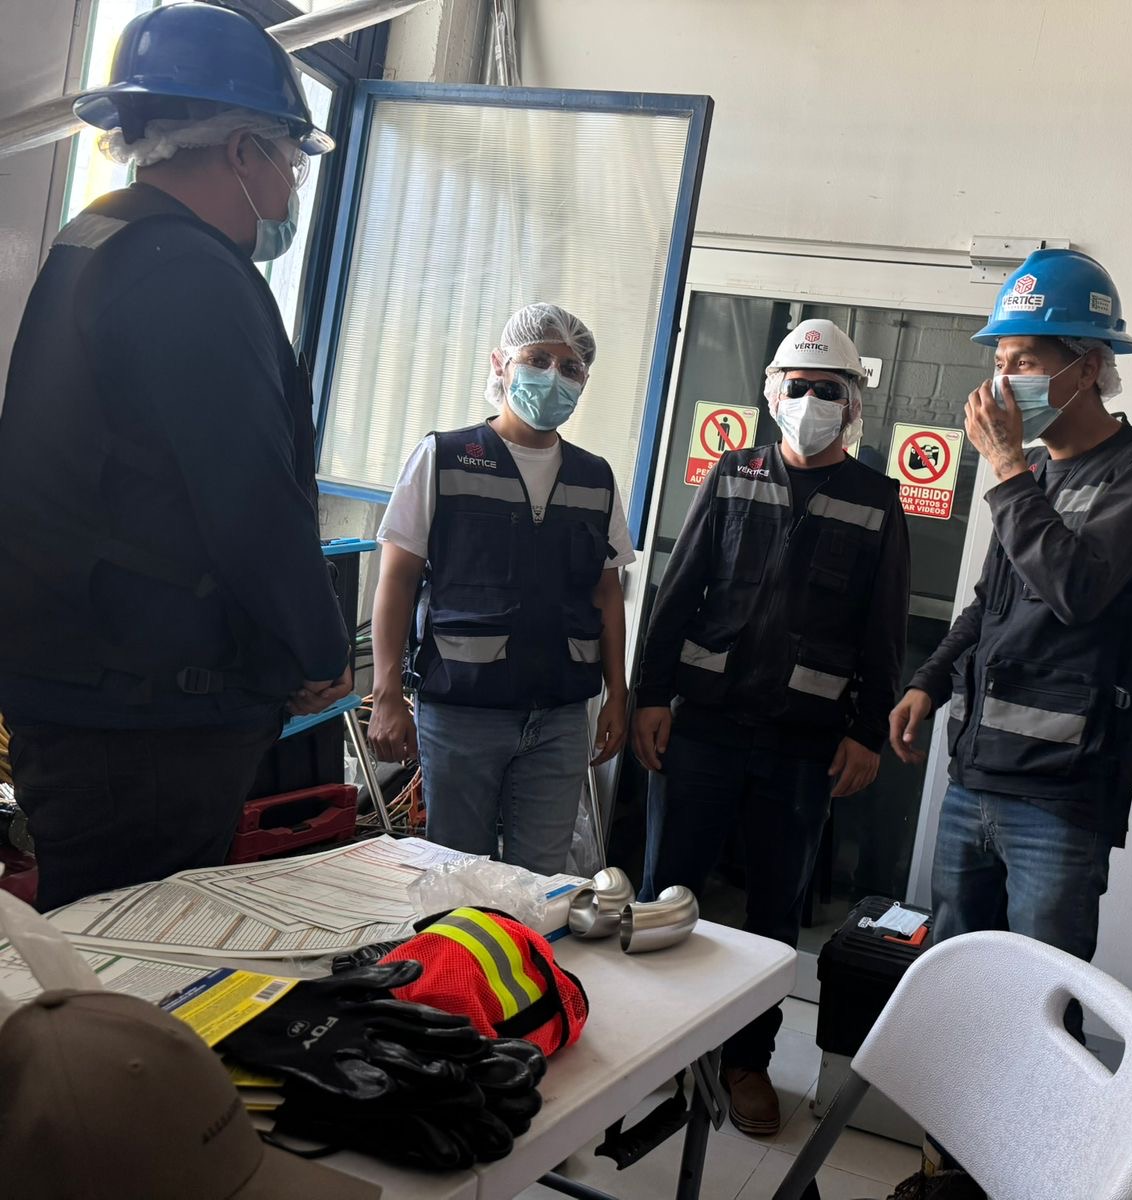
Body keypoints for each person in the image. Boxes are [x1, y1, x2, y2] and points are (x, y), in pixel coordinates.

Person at [0, 4, 350, 911]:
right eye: (290, 157)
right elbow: (250, 497)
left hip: (86, 685)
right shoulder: (188, 273)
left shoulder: (101, 240)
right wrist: (318, 647)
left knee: (96, 935)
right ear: (241, 151)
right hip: (145, 711)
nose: (292, 184)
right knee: (138, 948)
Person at [889, 248, 1132, 1031]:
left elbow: (1078, 589)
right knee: (956, 987)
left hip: (1062, 794)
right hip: (975, 775)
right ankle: (947, 1120)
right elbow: (989, 603)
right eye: (998, 362)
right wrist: (930, 678)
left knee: (1039, 1009)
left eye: (1023, 361)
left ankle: (1033, 1119)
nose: (1002, 382)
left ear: (1086, 368)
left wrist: (1004, 466)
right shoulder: (1030, 476)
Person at [632, 318, 911, 1135]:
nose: (811, 400)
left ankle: (746, 1061)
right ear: (772, 393)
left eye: (829, 389)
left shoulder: (878, 501)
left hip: (802, 743)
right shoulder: (732, 474)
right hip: (706, 728)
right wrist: (651, 695)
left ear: (853, 405)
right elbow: (679, 591)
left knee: (773, 915)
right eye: (799, 386)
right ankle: (651, 1045)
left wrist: (866, 730)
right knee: (668, 892)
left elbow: (884, 631)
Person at [366, 304, 631, 875]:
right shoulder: (444, 456)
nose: (553, 376)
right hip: (462, 712)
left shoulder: (595, 477)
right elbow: (397, 578)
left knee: (542, 880)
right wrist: (386, 693)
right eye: (537, 359)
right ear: (500, 364)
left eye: (570, 367)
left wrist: (618, 693)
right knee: (458, 874)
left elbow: (607, 593)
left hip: (560, 715)